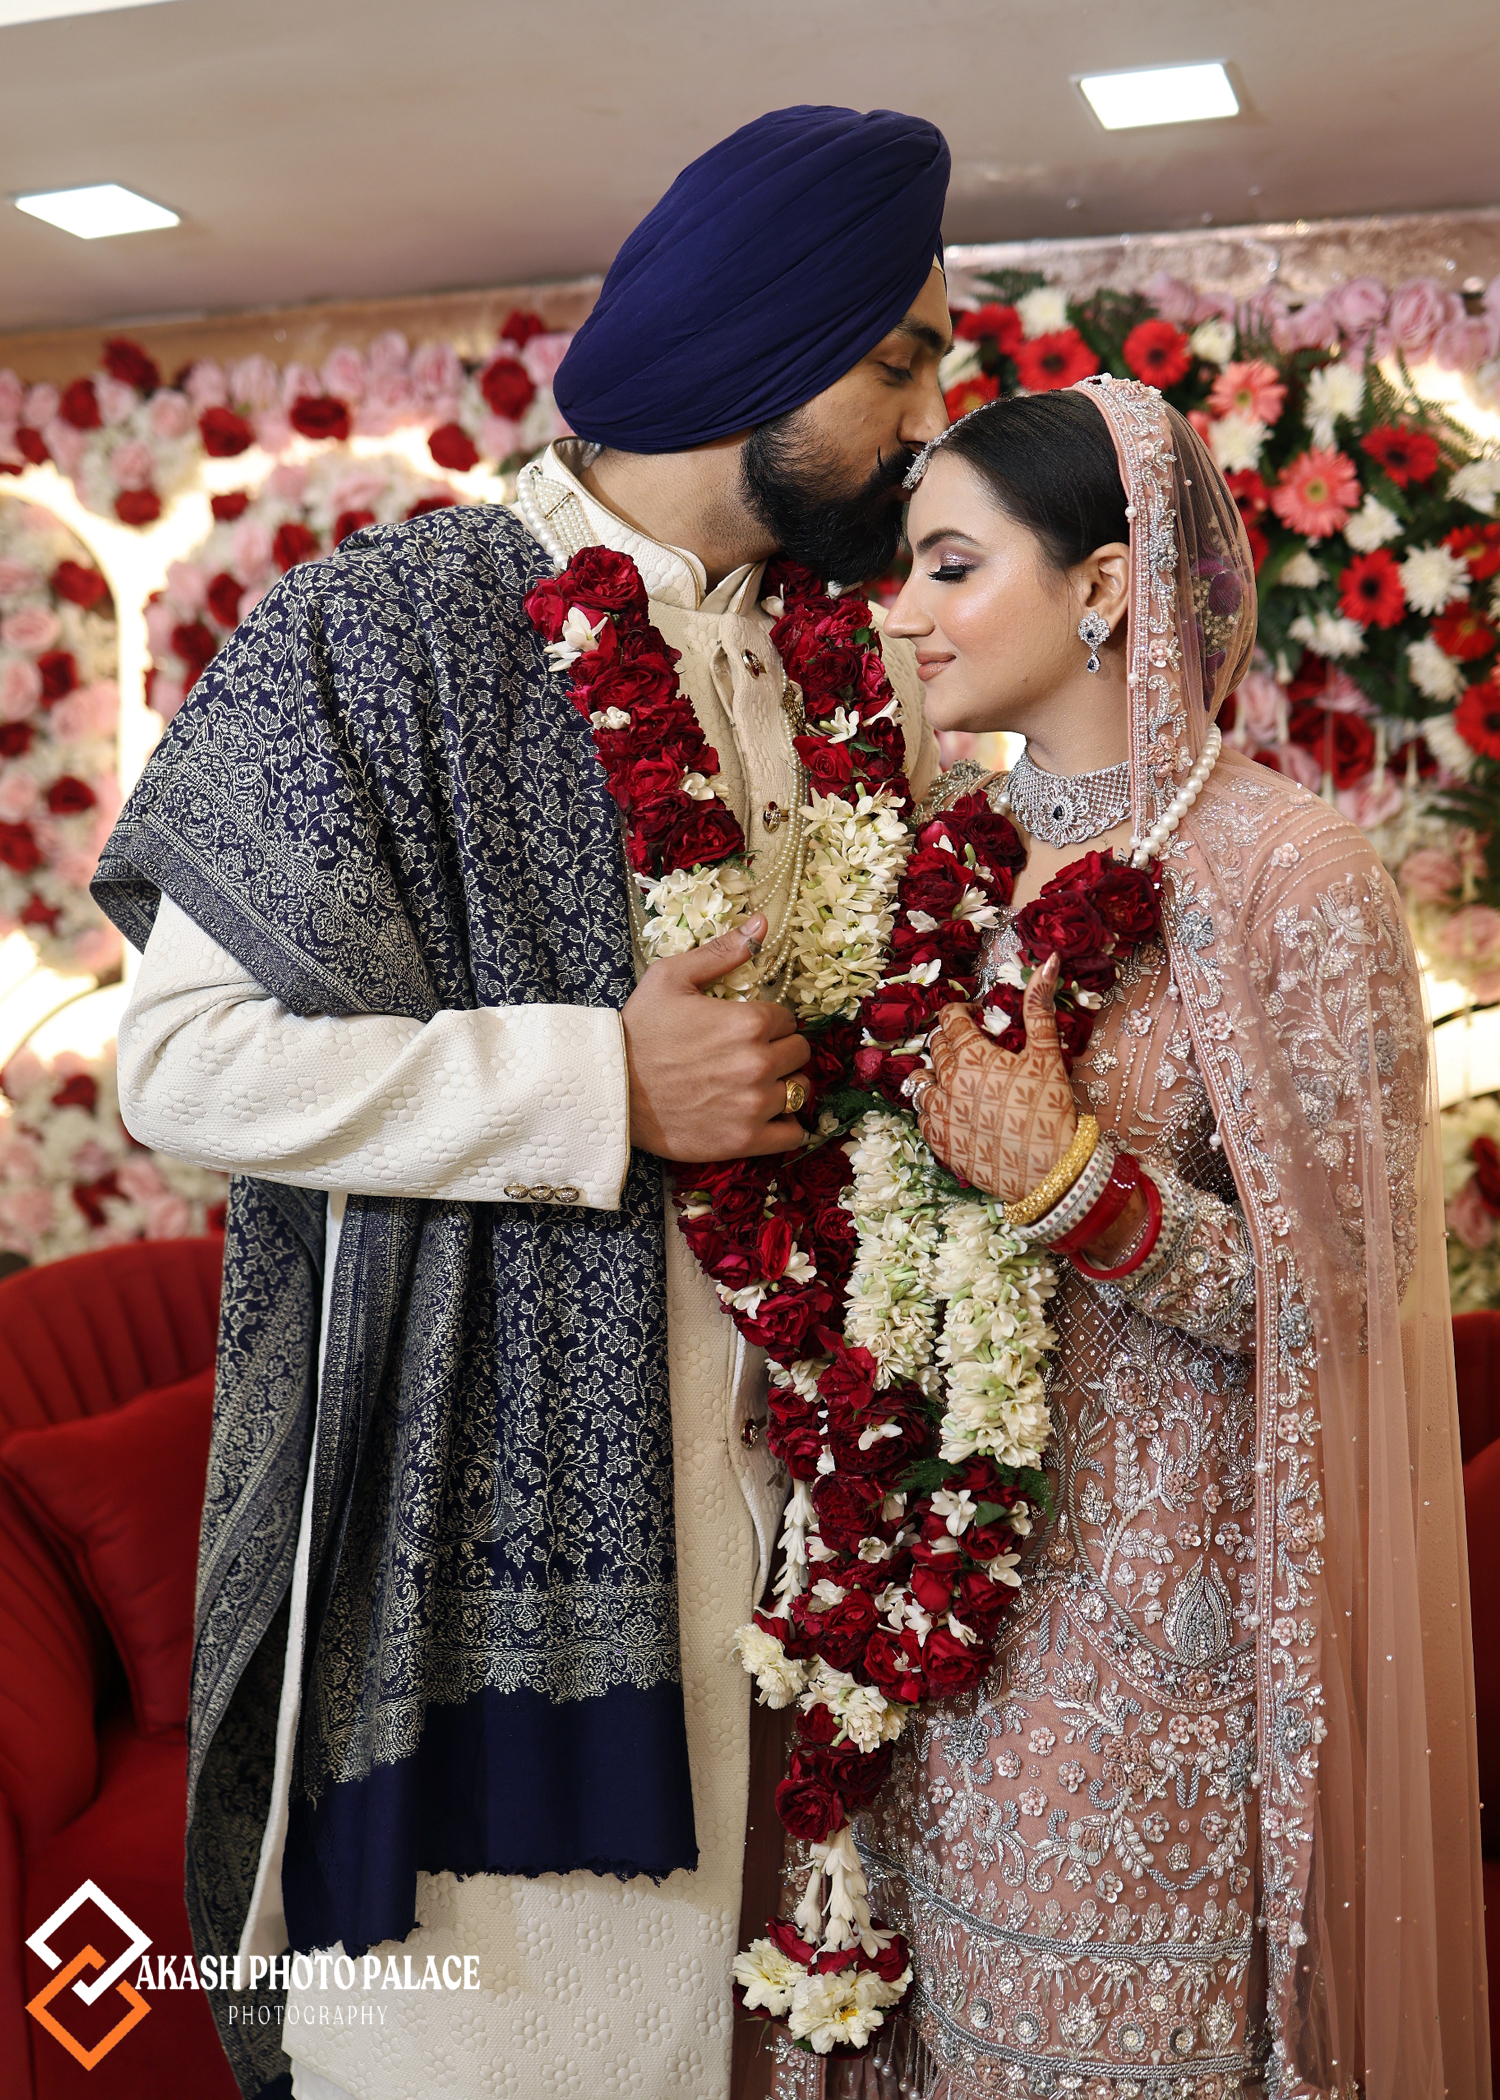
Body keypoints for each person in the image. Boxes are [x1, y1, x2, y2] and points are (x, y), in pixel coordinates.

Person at [91, 106, 951, 2100]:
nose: (931, 417)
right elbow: (177, 1066)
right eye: (900, 361)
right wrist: (595, 1083)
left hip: (821, 1545)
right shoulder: (375, 631)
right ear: (759, 346)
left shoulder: (859, 664)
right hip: (485, 1540)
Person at [772, 377, 1489, 2098]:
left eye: (951, 567)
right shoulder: (936, 866)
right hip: (930, 1631)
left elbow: (1350, 1309)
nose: (902, 612)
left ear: (1101, 587)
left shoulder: (1292, 875)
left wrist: (1080, 1188)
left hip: (1170, 1656)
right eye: (904, 570)